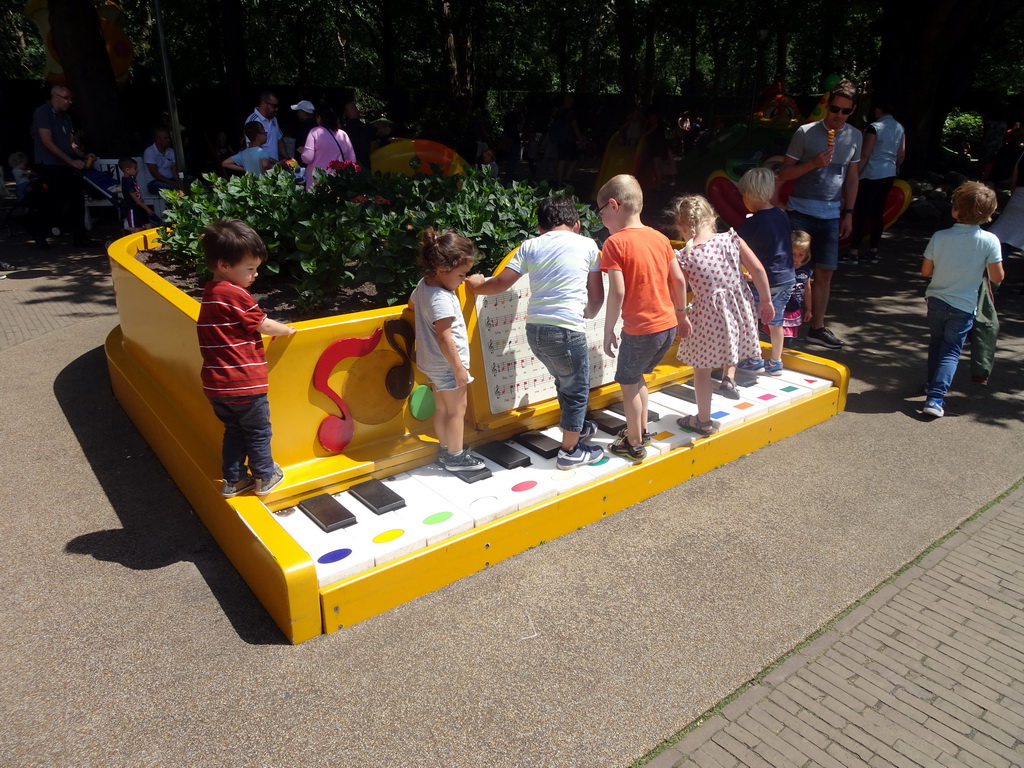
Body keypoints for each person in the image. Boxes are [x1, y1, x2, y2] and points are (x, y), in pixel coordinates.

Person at [466, 195, 606, 470]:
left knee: (563, 380)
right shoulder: (589, 245)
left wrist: (477, 285)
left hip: (536, 332)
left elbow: (501, 284)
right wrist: (588, 313)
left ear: (541, 228)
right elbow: (597, 296)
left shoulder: (530, 245)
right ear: (576, 224)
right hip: (566, 330)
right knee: (577, 390)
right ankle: (571, 451)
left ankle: (574, 425)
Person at [197, 219, 295, 497]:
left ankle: (234, 480)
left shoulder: (211, 294)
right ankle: (265, 477)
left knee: (234, 431)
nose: (254, 276)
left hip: (217, 387)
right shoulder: (235, 293)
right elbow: (262, 324)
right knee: (258, 432)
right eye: (250, 269)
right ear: (224, 266)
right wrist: (286, 329)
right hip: (244, 384)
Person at [597, 174, 689, 462]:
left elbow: (618, 292)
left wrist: (608, 328)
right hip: (666, 326)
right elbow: (679, 280)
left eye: (600, 212)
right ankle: (643, 428)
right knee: (637, 379)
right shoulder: (660, 238)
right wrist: (682, 315)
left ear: (613, 205)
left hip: (640, 330)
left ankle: (634, 443)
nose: (600, 219)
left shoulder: (615, 243)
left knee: (627, 382)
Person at [671, 195, 774, 436]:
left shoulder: (684, 256)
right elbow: (757, 269)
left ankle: (703, 421)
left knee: (702, 370)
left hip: (707, 318)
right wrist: (766, 301)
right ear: (713, 218)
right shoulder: (731, 239)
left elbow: (679, 288)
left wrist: (680, 315)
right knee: (731, 347)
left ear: (683, 227)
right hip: (737, 311)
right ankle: (730, 377)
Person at [778, 78, 862, 349]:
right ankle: (778, 322)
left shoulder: (855, 136)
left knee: (825, 272)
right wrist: (813, 163)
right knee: (791, 269)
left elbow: (851, 178)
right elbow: (784, 172)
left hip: (830, 214)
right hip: (800, 209)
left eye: (845, 111)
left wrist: (849, 212)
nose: (838, 115)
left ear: (853, 111)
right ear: (828, 107)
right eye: (834, 109)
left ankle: (817, 327)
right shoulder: (805, 132)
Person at [920, 182, 1004, 419]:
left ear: (955, 210)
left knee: (936, 343)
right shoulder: (990, 241)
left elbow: (926, 272)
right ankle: (935, 398)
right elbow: (998, 276)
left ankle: (930, 383)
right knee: (951, 351)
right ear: (988, 215)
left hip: (936, 300)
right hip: (964, 306)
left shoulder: (940, 236)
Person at [408, 228, 485, 473]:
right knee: (457, 411)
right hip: (448, 364)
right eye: (461, 275)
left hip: (431, 362)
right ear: (442, 270)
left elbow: (411, 304)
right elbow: (444, 338)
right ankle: (456, 456)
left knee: (442, 408)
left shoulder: (424, 285)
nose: (463, 280)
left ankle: (445, 448)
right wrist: (459, 368)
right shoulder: (441, 298)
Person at [734, 167, 796, 376]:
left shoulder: (754, 223)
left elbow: (736, 246)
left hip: (766, 281)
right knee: (776, 320)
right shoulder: (781, 214)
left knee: (750, 317)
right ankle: (776, 362)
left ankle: (753, 359)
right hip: (787, 277)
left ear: (749, 195)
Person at [30, 84, 96, 248]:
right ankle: (39, 234)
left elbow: (71, 142)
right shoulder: (42, 113)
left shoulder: (65, 117)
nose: (70, 102)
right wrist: (71, 160)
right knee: (52, 201)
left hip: (67, 165)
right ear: (56, 97)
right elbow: (47, 142)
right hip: (50, 165)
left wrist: (82, 154)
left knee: (77, 199)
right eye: (67, 98)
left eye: (70, 98)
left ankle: (80, 237)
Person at [848, 100, 906, 264]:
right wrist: (896, 166)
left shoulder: (875, 127)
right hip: (889, 172)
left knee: (862, 211)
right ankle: (874, 250)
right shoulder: (899, 127)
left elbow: (865, 153)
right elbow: (901, 153)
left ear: (878, 109)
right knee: (877, 212)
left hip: (872, 172)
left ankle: (854, 250)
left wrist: (855, 174)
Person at [299, 106, 356, 190]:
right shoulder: (343, 134)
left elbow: (308, 158)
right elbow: (352, 160)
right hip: (338, 181)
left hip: (317, 182)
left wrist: (303, 152)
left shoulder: (315, 132)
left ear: (319, 118)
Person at [779, 231, 814, 340]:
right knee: (777, 336)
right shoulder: (781, 267)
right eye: (793, 253)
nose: (796, 258)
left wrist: (809, 308)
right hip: (780, 309)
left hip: (794, 310)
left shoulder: (806, 270)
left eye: (800, 255)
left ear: (806, 255)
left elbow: (807, 290)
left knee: (789, 338)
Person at [117, 157, 161, 231]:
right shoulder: (127, 182)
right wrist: (147, 209)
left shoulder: (131, 179)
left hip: (140, 207)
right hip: (133, 209)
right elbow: (135, 199)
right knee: (137, 227)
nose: (137, 170)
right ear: (127, 170)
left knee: (147, 224)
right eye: (135, 168)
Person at [244, 91, 286, 161]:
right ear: (264, 104)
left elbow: (279, 140)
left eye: (277, 106)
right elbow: (253, 149)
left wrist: (287, 158)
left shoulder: (274, 119)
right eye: (274, 106)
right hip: (260, 168)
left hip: (274, 168)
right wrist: (275, 163)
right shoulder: (252, 120)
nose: (276, 109)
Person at [143, 128, 181, 194]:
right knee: (173, 189)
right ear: (158, 139)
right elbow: (155, 174)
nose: (169, 140)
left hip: (170, 180)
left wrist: (179, 182)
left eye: (169, 138)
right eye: (166, 138)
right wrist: (175, 184)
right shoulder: (150, 151)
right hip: (154, 182)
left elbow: (174, 170)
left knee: (185, 187)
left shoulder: (171, 151)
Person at [343, 102, 374, 170]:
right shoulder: (367, 128)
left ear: (346, 114)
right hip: (365, 166)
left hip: (349, 168)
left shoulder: (342, 132)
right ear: (358, 112)